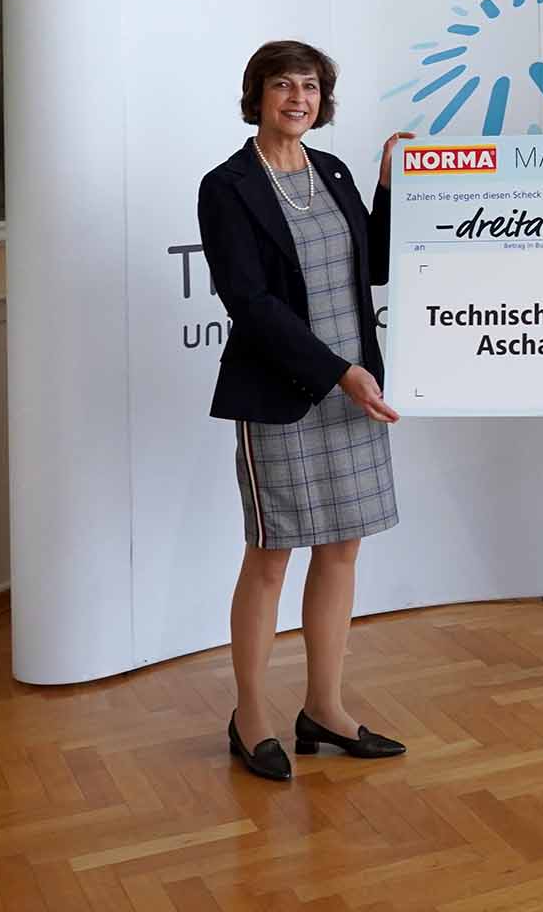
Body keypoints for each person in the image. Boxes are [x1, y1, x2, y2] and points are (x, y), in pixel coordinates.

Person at [197, 40, 416, 782]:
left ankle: (324, 708)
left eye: (312, 86)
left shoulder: (334, 171)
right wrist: (337, 374)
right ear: (256, 95)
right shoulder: (227, 186)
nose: (299, 97)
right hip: (287, 396)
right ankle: (250, 715)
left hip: (353, 389)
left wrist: (389, 187)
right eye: (283, 85)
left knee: (343, 548)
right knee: (269, 559)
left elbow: (375, 265)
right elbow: (249, 305)